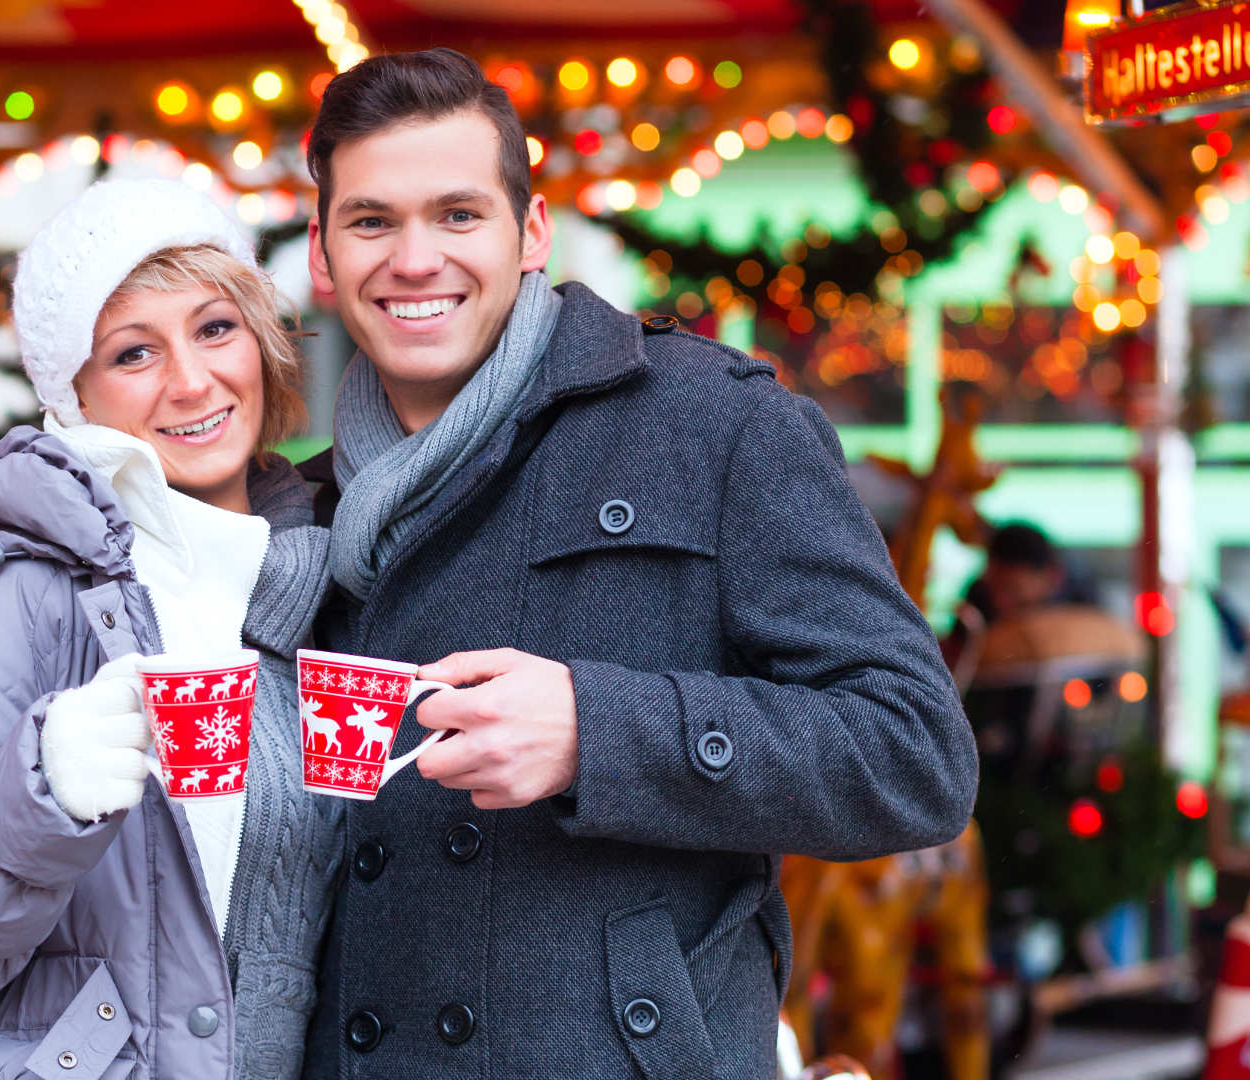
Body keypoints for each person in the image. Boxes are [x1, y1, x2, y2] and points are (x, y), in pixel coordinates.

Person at [294, 49, 980, 1078]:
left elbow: (914, 754)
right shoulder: (297, 510)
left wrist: (598, 733)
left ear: (531, 235)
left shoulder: (713, 425)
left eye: (458, 215)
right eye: (372, 221)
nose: (414, 258)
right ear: (322, 252)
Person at [0, 178, 342, 1080]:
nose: (192, 380)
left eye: (214, 327)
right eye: (132, 353)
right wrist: (39, 796)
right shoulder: (13, 590)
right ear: (73, 392)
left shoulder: (321, 571)